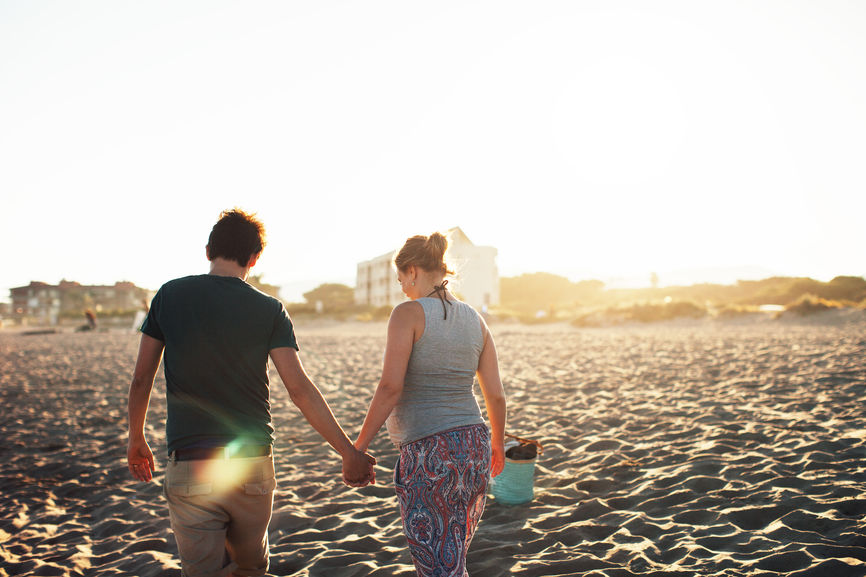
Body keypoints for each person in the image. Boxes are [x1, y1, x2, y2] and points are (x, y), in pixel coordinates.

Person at [127, 209, 375, 577]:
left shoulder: (169, 295)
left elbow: (141, 378)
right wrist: (348, 452)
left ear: (208, 249)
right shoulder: (269, 308)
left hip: (191, 462)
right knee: (250, 570)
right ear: (255, 259)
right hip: (252, 467)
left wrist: (136, 437)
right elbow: (299, 389)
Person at [354, 232, 507, 577]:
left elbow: (390, 387)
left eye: (400, 280)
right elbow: (495, 394)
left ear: (412, 271)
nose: (402, 289)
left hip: (430, 454)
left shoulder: (407, 314)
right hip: (474, 446)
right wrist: (496, 443)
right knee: (452, 557)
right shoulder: (476, 319)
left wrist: (358, 447)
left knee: (437, 566)